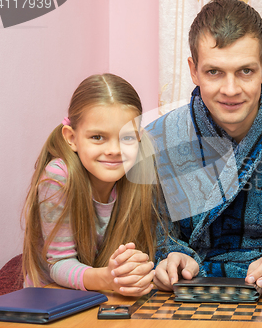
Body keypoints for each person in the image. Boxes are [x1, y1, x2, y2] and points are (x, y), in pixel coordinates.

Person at [147, 0, 262, 295]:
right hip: (185, 295)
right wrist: (168, 256)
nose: (230, 89)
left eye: (245, 71)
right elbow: (143, 224)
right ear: (193, 70)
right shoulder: (160, 139)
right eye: (214, 72)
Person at [22, 73, 165, 297]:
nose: (114, 150)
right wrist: (109, 278)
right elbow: (59, 264)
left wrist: (137, 270)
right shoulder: (59, 177)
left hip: (103, 299)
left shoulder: (140, 174)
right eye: (98, 137)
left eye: (127, 137)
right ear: (71, 138)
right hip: (51, 302)